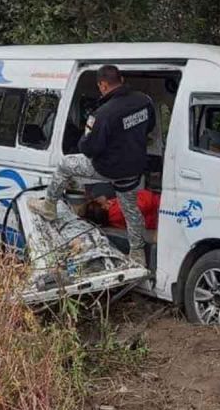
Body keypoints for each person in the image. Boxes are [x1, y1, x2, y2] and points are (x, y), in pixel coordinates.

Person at [29, 65, 155, 266]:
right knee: (131, 210)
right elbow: (149, 126)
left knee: (65, 164)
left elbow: (88, 148)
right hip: (133, 168)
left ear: (103, 85)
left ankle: (49, 206)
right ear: (121, 79)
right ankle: (138, 254)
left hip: (107, 168)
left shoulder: (102, 114)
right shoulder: (144, 101)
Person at [81, 189, 160, 231]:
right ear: (102, 207)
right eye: (96, 200)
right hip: (158, 210)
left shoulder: (111, 211)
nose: (96, 198)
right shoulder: (118, 211)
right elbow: (146, 203)